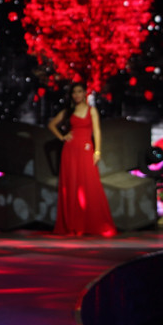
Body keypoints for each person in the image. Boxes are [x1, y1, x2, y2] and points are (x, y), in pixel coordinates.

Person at [46, 82, 117, 237]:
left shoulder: (92, 110)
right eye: (74, 92)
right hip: (70, 151)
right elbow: (51, 125)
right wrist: (62, 137)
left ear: (85, 93)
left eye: (79, 91)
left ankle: (90, 224)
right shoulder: (68, 112)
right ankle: (72, 225)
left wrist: (97, 151)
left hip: (86, 150)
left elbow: (97, 131)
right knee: (71, 186)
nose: (77, 95)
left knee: (90, 185)